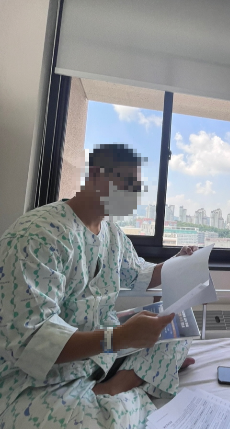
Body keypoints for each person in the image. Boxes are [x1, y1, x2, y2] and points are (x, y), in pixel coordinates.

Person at [0, 144, 198, 429]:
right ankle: (135, 384)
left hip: (100, 356)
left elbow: (140, 274)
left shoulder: (113, 234)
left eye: (137, 188)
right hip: (41, 377)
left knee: (177, 327)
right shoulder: (39, 235)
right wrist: (118, 338)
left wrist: (178, 261)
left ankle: (119, 385)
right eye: (127, 183)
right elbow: (32, 342)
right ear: (95, 175)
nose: (133, 194)